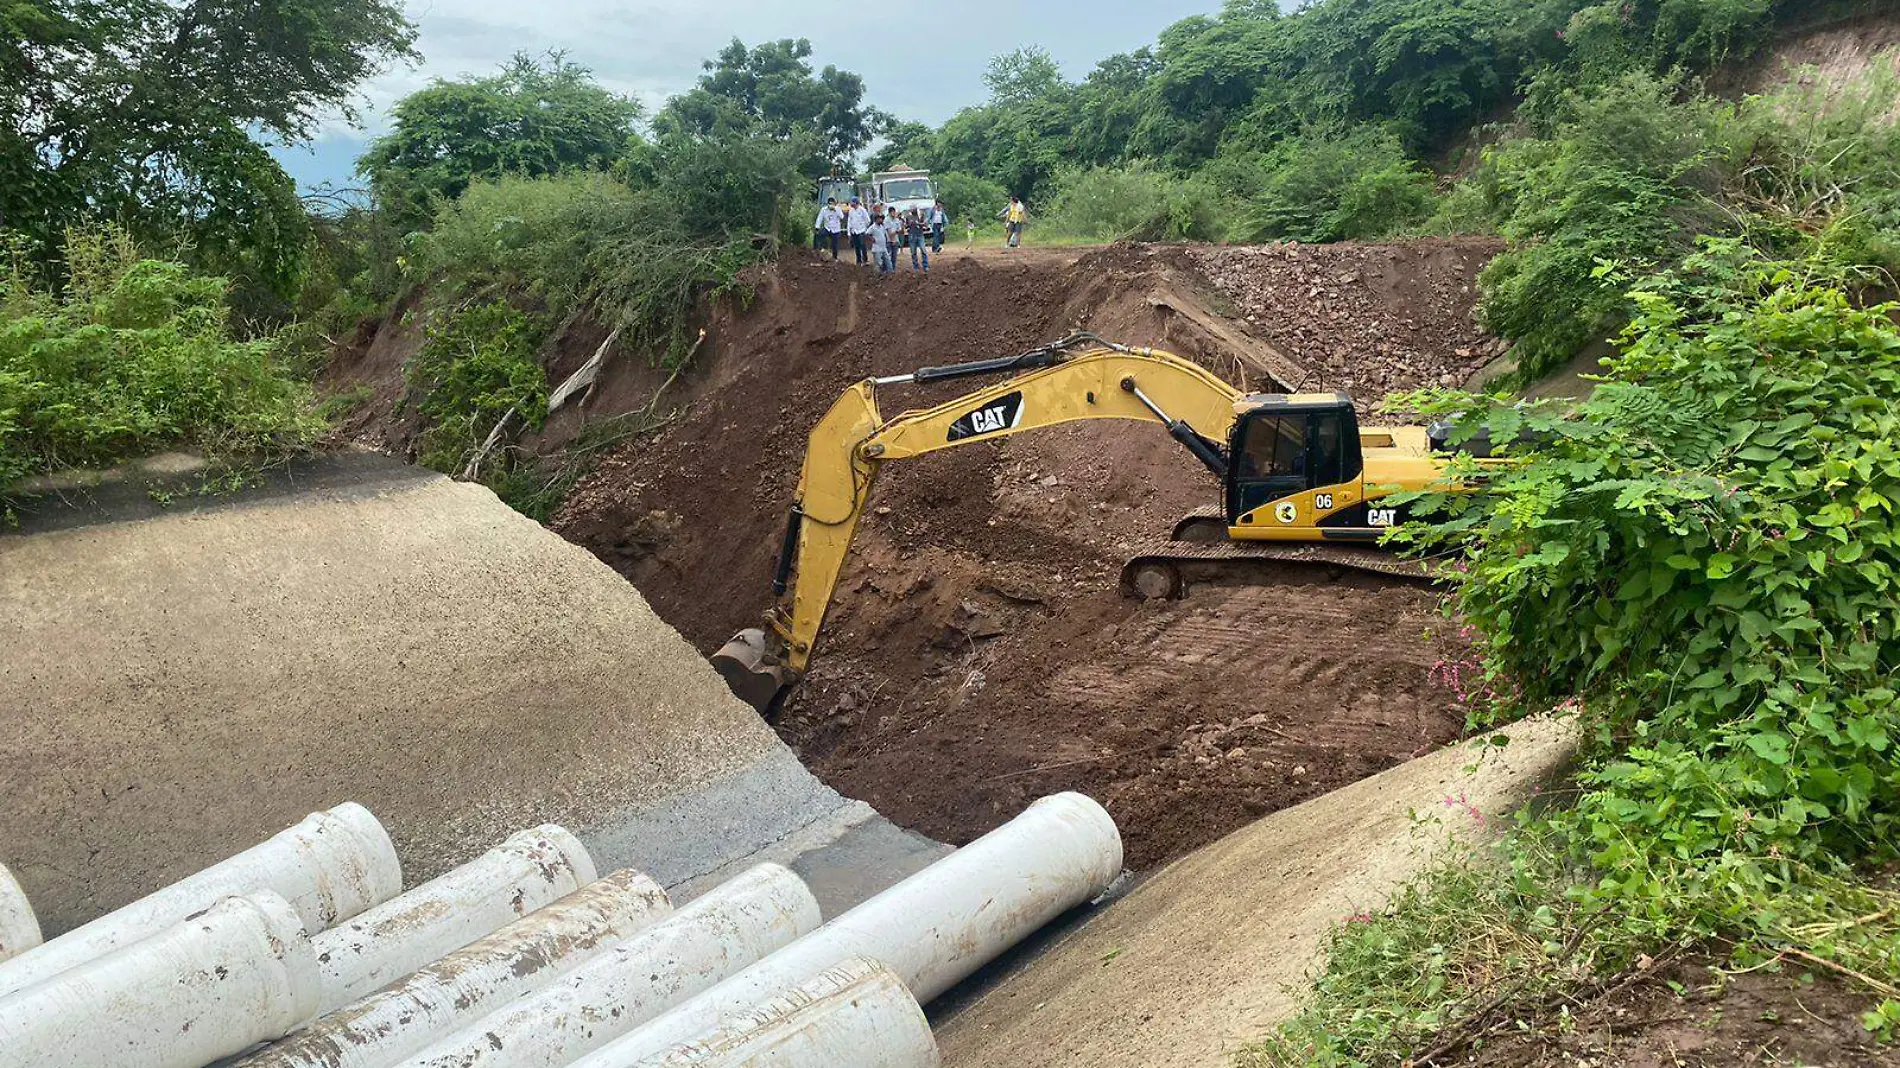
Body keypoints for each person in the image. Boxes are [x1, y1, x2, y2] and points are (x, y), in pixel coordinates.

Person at [846, 198, 872, 265]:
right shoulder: (851, 211)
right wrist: (849, 232)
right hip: (854, 231)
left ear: (856, 203)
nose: (851, 204)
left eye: (852, 202)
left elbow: (868, 220)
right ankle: (858, 260)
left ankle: (865, 260)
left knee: (862, 245)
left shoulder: (862, 210)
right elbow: (849, 221)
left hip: (861, 230)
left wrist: (864, 228)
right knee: (856, 246)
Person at [868, 210, 894, 274]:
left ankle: (891, 273)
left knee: (888, 261)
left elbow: (884, 235)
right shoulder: (872, 227)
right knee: (878, 263)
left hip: (883, 247)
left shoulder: (882, 227)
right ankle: (878, 276)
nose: (880, 220)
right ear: (875, 219)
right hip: (877, 248)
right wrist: (872, 239)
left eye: (881, 218)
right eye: (879, 218)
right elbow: (867, 234)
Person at [905, 208, 930, 272]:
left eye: (914, 209)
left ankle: (926, 265)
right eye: (912, 209)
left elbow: (925, 224)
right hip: (912, 235)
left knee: (923, 250)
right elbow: (906, 226)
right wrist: (909, 224)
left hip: (920, 235)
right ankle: (916, 267)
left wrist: (918, 223)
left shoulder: (921, 215)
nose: (913, 210)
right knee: (913, 252)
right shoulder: (908, 217)